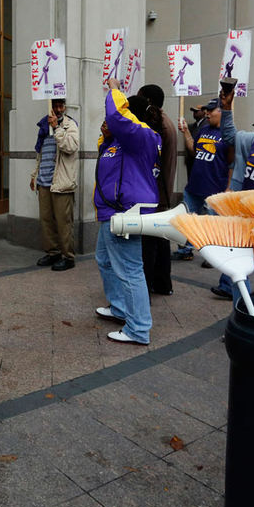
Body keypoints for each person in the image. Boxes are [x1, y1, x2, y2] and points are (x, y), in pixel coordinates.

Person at [92, 83, 162, 346]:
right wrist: (107, 135)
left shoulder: (143, 136)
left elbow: (117, 117)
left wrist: (113, 89)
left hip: (125, 212)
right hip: (111, 211)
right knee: (105, 260)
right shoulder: (121, 141)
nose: (106, 122)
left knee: (130, 270)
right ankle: (120, 308)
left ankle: (138, 328)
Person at [177, 90, 237, 297]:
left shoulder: (229, 136)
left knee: (217, 233)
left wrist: (228, 188)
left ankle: (217, 263)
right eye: (207, 110)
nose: (208, 113)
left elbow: (232, 163)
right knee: (185, 222)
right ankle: (187, 249)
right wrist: (185, 132)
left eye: (212, 110)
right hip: (194, 187)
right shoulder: (204, 131)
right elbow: (194, 150)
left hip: (215, 190)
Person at [29, 97, 79, 271]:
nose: (58, 109)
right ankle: (53, 253)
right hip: (44, 182)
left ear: (64, 107)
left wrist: (57, 127)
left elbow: (71, 146)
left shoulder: (69, 125)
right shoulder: (43, 127)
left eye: (61, 105)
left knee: (63, 222)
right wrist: (34, 175)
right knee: (46, 221)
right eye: (55, 105)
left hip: (61, 182)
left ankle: (68, 257)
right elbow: (40, 155)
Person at [137, 83, 176, 295]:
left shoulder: (158, 125)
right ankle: (162, 284)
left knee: (149, 244)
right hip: (162, 192)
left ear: (149, 101)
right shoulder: (164, 121)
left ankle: (147, 284)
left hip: (156, 194)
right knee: (160, 241)